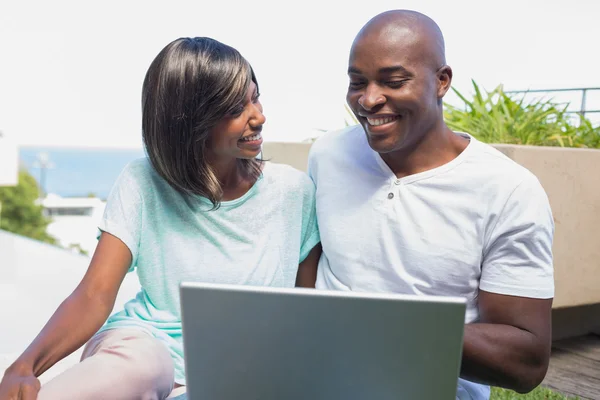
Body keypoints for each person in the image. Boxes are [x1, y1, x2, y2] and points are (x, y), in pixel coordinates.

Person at [0, 37, 321, 400]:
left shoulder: (295, 193)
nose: (258, 116)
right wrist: (25, 366)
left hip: (244, 371)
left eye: (255, 97)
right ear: (190, 123)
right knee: (143, 363)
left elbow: (305, 312)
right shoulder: (142, 182)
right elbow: (94, 293)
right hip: (141, 349)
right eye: (235, 109)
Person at [307, 10, 554, 400]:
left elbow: (526, 361)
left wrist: (380, 327)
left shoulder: (508, 190)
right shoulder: (328, 155)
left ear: (441, 81)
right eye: (357, 82)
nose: (368, 99)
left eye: (393, 81)